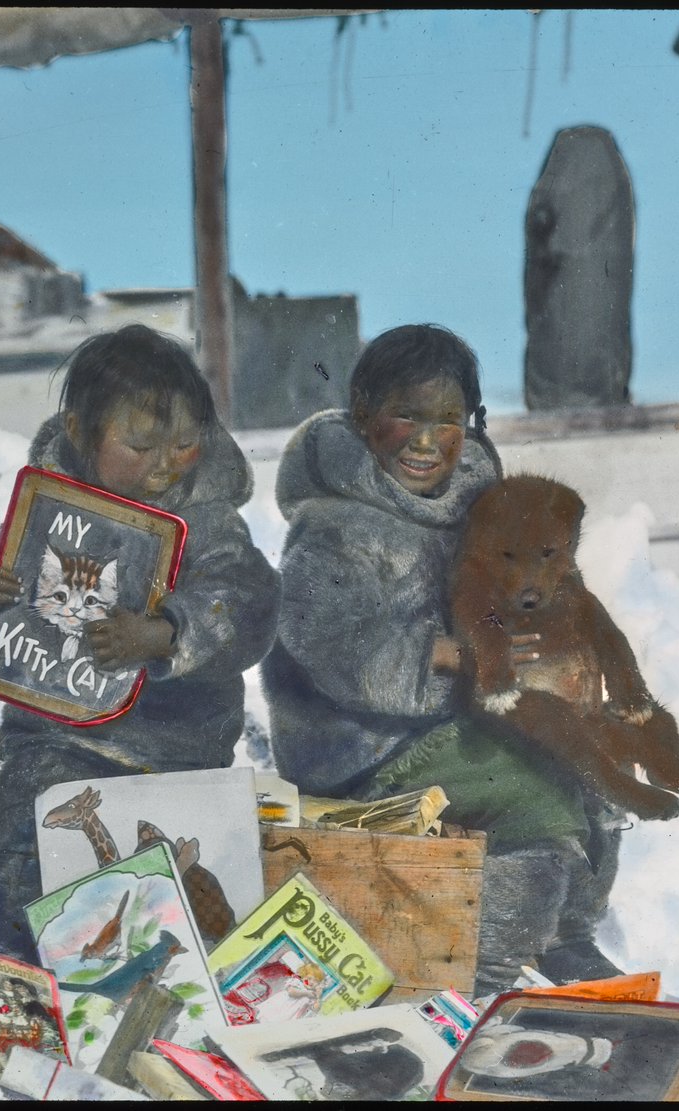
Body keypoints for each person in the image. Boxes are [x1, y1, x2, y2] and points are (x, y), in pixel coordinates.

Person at [261, 323, 625, 997]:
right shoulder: (332, 525)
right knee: (532, 801)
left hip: (451, 720)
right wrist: (452, 657)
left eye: (448, 420)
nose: (428, 440)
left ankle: (567, 930)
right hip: (364, 748)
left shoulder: (479, 506)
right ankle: (480, 969)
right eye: (407, 415)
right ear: (366, 415)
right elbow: (334, 647)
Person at [0, 324, 280, 963]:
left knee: (174, 884)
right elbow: (8, 560)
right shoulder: (51, 502)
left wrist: (166, 630)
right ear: (78, 430)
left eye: (182, 445)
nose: (163, 464)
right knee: (24, 838)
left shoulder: (205, 517)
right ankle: (14, 966)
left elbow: (246, 595)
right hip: (58, 739)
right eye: (140, 444)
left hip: (178, 751)